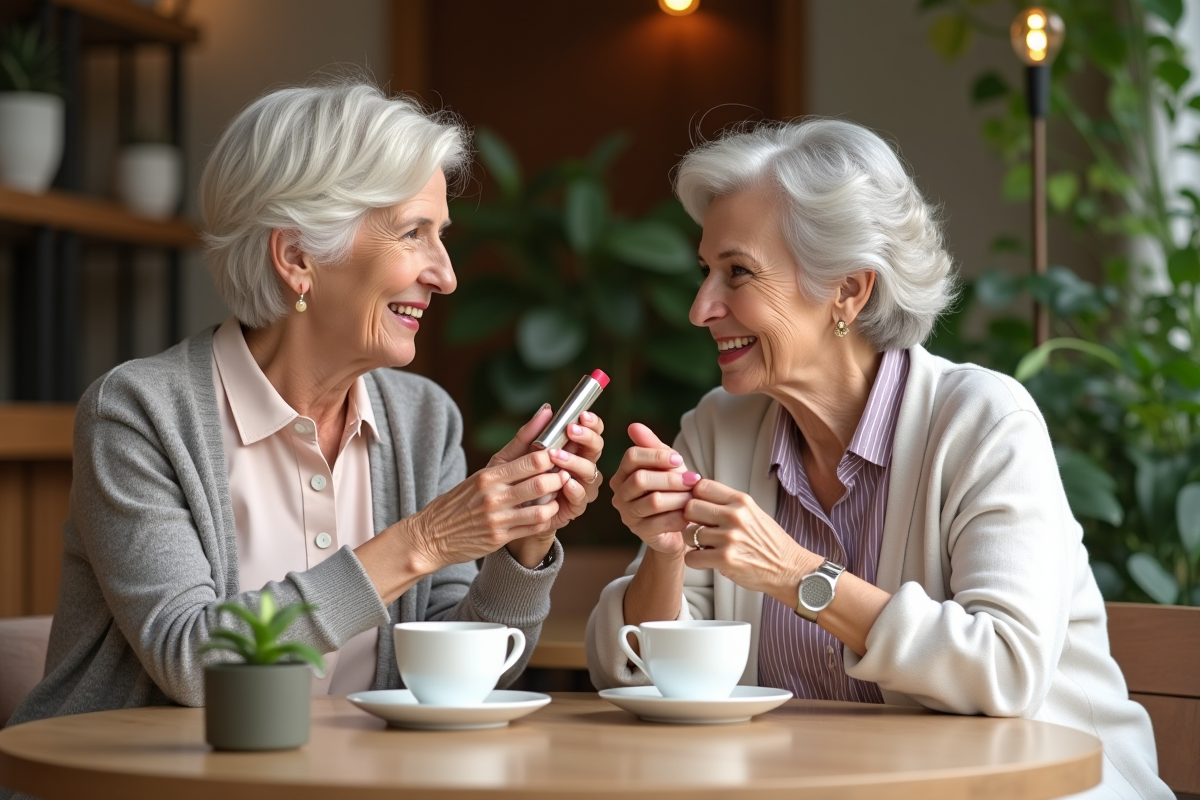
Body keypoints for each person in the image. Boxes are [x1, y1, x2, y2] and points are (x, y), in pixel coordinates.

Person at [587, 119, 1170, 800]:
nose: (700, 308)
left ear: (849, 290)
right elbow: (634, 675)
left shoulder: (984, 423)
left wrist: (794, 572)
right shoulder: (718, 430)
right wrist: (664, 553)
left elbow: (1006, 671)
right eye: (705, 272)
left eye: (737, 272)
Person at [7, 81, 605, 727]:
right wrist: (425, 540)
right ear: (297, 257)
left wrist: (522, 543)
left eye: (442, 236)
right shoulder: (138, 414)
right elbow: (193, 663)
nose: (446, 275)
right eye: (413, 234)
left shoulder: (423, 420)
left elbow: (449, 676)